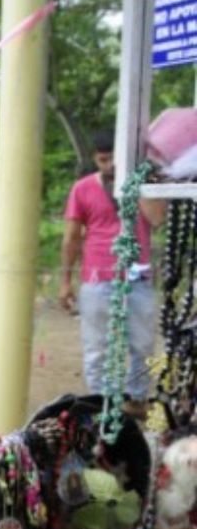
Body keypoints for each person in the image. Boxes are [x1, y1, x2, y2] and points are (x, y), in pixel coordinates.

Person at [59, 130, 166, 410]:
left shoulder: (146, 182)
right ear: (96, 159)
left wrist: (132, 185)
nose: (109, 166)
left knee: (143, 345)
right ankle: (101, 404)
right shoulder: (82, 188)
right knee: (97, 350)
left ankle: (137, 400)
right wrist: (65, 280)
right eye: (103, 160)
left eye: (113, 160)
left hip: (137, 278)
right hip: (97, 278)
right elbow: (71, 237)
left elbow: (157, 219)